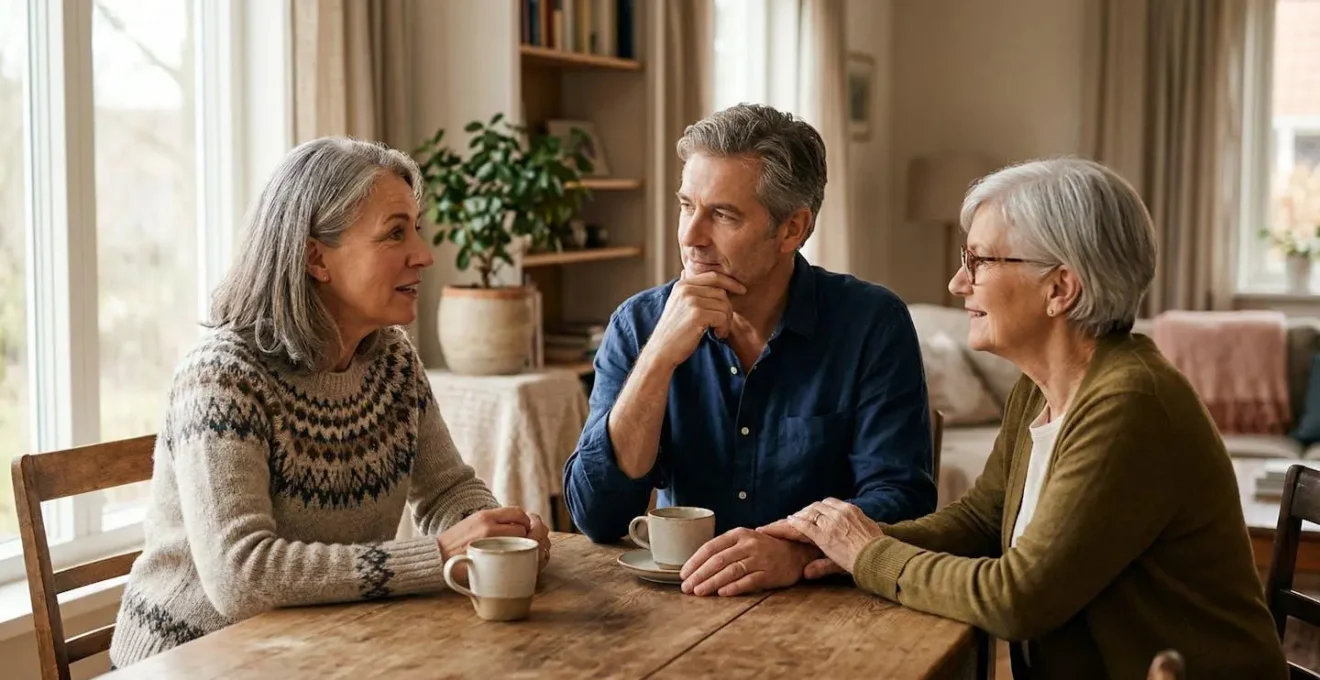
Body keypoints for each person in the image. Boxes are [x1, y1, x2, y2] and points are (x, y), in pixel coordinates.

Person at [768, 158, 1288, 678]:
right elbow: (982, 521)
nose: (956, 282)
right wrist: (838, 545)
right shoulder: (1039, 386)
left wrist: (869, 555)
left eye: (979, 260)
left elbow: (1016, 599)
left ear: (1060, 289)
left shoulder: (1130, 402)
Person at [109, 138, 550, 668]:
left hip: (324, 650)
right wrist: (438, 557)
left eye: (415, 227)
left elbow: (446, 489)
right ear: (316, 257)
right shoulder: (223, 377)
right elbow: (241, 576)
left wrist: (495, 536)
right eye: (394, 233)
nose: (424, 254)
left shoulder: (392, 362)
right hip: (194, 659)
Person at [562, 103, 936, 599]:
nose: (691, 237)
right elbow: (597, 515)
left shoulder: (871, 323)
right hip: (683, 602)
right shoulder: (639, 324)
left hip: (829, 606)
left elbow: (901, 500)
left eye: (721, 214)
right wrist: (657, 359)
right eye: (686, 205)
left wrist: (799, 553)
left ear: (792, 229)